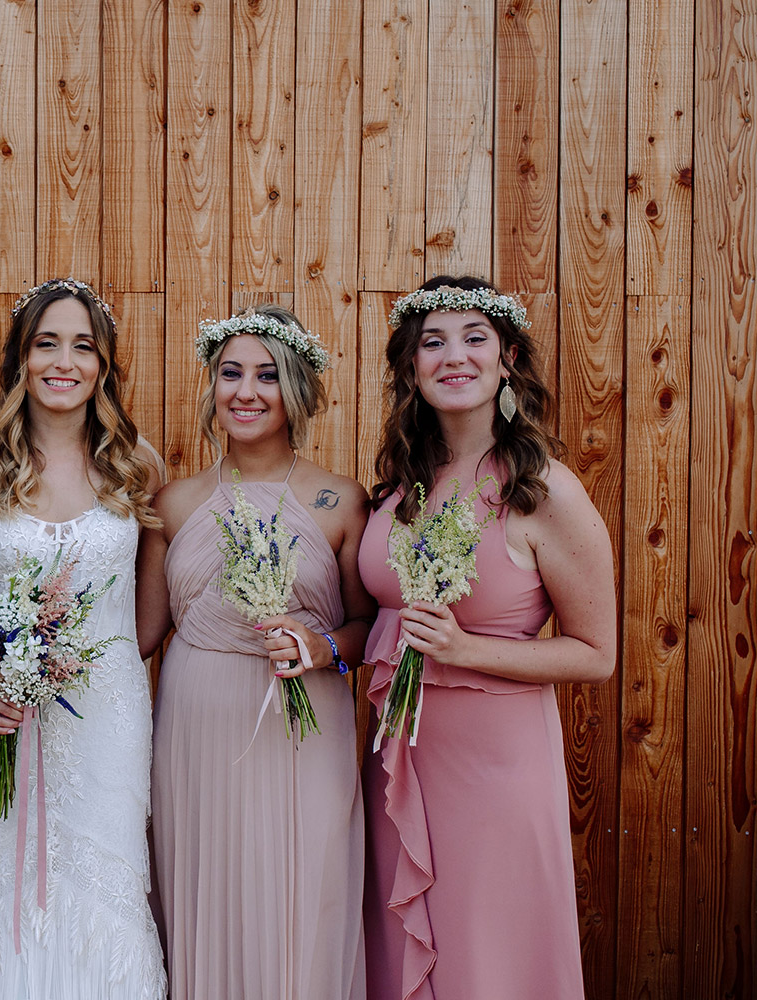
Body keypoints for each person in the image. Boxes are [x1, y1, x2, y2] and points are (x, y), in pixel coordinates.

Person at [360, 275, 616, 999]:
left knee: (488, 956)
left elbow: (597, 655)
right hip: (398, 764)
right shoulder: (401, 485)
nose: (454, 356)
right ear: (412, 366)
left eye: (475, 338)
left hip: (495, 771)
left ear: (507, 360)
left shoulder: (544, 489)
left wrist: (464, 649)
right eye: (433, 342)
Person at [136, 304, 373, 999]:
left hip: (301, 726)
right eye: (230, 373)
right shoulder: (174, 503)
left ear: (296, 387)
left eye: (267, 375)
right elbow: (142, 636)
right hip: (197, 728)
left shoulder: (339, 500)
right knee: (204, 892)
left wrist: (322, 645)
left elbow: (367, 627)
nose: (246, 391)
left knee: (299, 894)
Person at [0, 278, 167, 999]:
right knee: (5, 881)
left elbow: (148, 619)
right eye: (46, 344)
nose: (64, 362)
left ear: (103, 365)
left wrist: (89, 664)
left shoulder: (136, 465)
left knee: (106, 884)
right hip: (4, 716)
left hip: (108, 715)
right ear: (21, 360)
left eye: (83, 347)